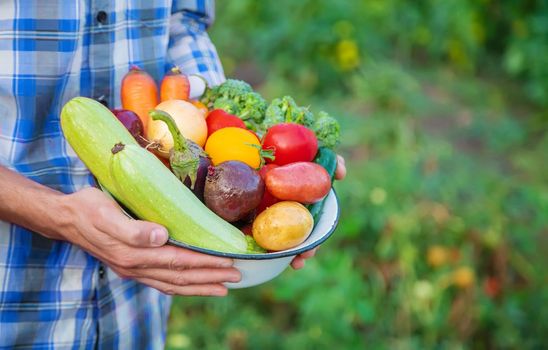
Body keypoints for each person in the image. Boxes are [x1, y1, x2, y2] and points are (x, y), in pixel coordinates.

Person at [0, 0, 346, 348]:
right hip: (17, 291)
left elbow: (184, 21)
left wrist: (219, 112)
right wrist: (60, 216)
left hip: (137, 305)